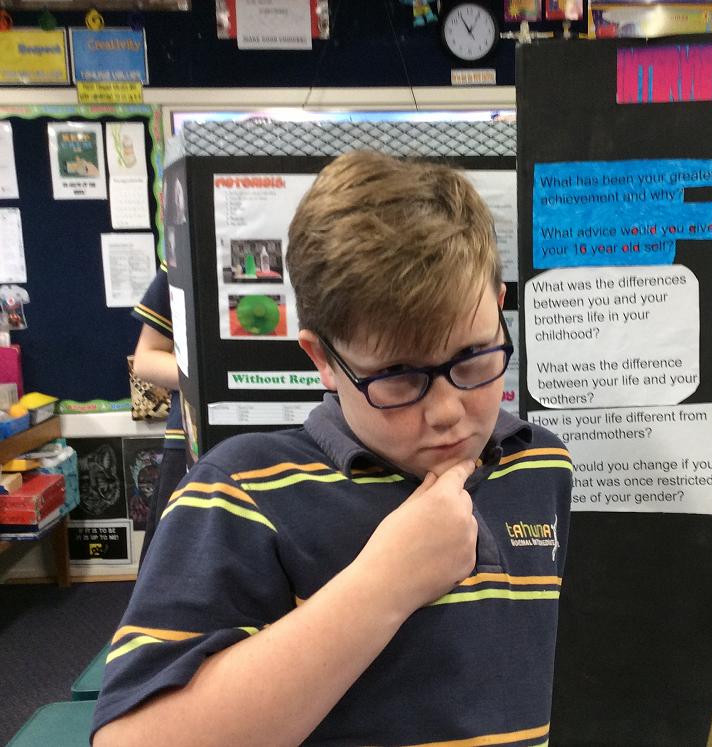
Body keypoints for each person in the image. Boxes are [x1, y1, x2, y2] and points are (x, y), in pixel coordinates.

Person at [92, 151, 573, 746]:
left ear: (498, 308)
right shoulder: (242, 490)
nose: (448, 411)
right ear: (322, 358)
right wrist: (384, 584)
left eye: (474, 358)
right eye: (398, 377)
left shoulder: (541, 465)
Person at [131, 263, 187, 562]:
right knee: (176, 561)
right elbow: (146, 359)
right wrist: (218, 377)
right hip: (192, 439)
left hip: (305, 430)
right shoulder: (182, 259)